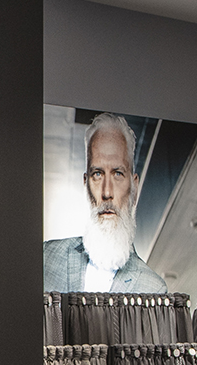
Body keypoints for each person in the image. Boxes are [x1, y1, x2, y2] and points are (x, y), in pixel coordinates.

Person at [41, 113, 168, 292]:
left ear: (134, 188)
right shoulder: (45, 258)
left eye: (118, 174)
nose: (107, 192)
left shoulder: (154, 289)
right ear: (86, 184)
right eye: (97, 174)